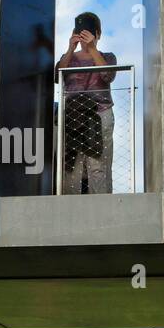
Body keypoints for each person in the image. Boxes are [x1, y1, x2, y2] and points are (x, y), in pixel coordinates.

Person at [57, 11, 117, 195]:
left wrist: (92, 48)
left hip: (99, 113)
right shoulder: (68, 58)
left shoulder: (107, 57)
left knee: (98, 164)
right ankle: (69, 207)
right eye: (80, 31)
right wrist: (70, 48)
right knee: (71, 165)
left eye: (89, 32)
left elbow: (108, 75)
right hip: (73, 115)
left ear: (98, 33)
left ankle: (102, 205)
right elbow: (57, 75)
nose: (84, 36)